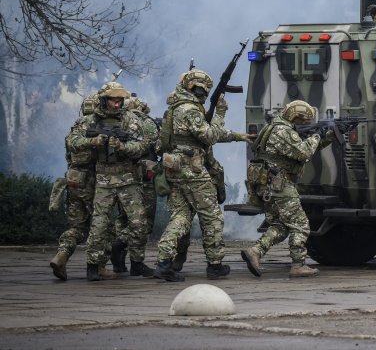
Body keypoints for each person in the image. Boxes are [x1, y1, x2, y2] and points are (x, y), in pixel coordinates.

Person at [153, 70, 250, 282]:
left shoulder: (175, 108)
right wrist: (221, 113)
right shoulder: (190, 109)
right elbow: (209, 135)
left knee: (181, 217)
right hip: (193, 171)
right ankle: (215, 265)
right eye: (202, 89)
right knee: (212, 216)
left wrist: (237, 136)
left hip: (176, 170)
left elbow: (198, 136)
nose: (204, 93)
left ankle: (164, 262)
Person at [66, 82, 151, 281]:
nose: (117, 105)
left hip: (127, 178)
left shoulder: (130, 119)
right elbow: (72, 141)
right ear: (104, 100)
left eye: (120, 100)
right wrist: (92, 142)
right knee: (99, 224)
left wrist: (123, 147)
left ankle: (137, 263)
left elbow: (142, 145)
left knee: (139, 222)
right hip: (103, 178)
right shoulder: (90, 121)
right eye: (114, 100)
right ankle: (93, 266)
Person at [240, 100, 333, 278]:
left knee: (281, 226)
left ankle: (255, 251)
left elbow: (303, 150)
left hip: (271, 184)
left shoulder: (275, 127)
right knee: (301, 225)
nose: (304, 123)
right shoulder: (283, 131)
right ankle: (298, 265)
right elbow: (304, 153)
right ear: (293, 115)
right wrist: (317, 135)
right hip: (279, 184)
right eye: (301, 119)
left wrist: (326, 137)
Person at [50, 95, 117, 281]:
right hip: (91, 181)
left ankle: (61, 256)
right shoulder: (97, 128)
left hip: (73, 179)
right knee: (104, 224)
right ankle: (101, 265)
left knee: (77, 227)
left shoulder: (75, 128)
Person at [110, 95, 159, 274]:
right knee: (143, 221)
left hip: (121, 177)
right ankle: (129, 253)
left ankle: (119, 262)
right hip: (143, 178)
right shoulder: (146, 123)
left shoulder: (117, 121)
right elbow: (158, 146)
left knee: (123, 218)